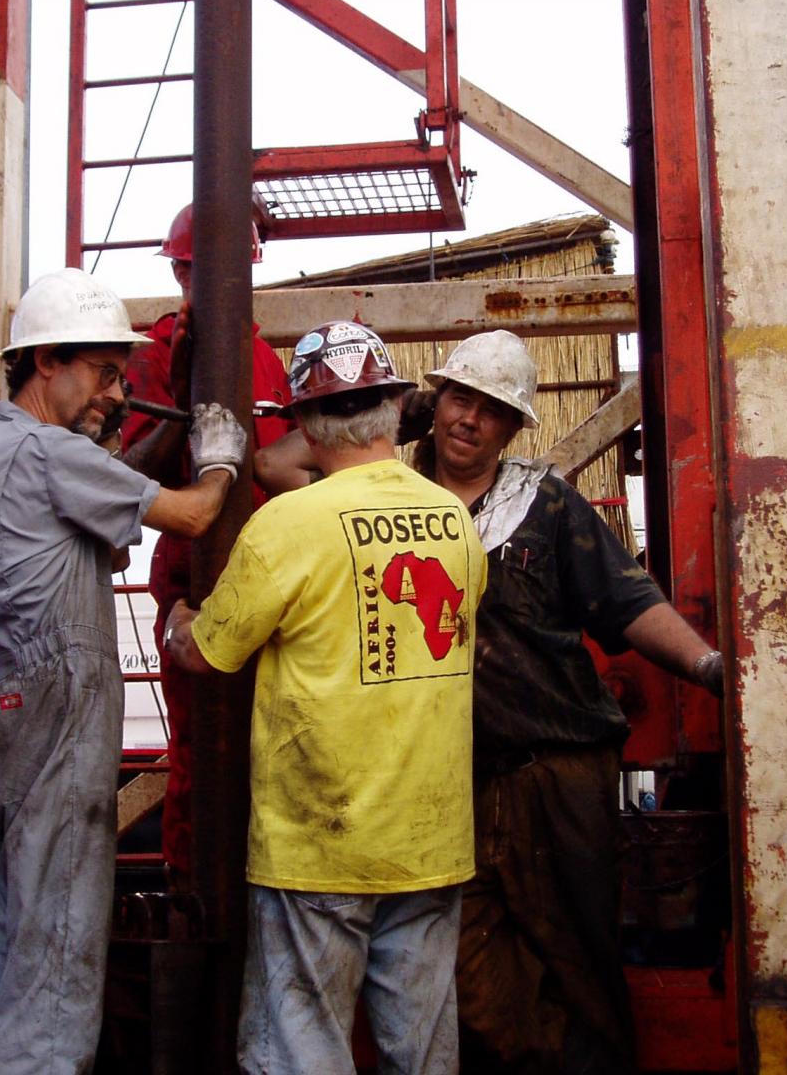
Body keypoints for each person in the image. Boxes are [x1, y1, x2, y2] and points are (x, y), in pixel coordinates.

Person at [255, 329, 725, 1073]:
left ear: (514, 427)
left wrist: (706, 666)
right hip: (446, 784)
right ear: (430, 404)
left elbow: (628, 601)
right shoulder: (376, 498)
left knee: (580, 958)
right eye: (458, 399)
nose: (469, 420)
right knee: (467, 978)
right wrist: (400, 417)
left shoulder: (545, 506)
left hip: (560, 772)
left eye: (492, 409)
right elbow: (274, 463)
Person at [0, 267, 247, 1074]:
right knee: (59, 970)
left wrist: (129, 446)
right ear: (47, 362)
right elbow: (191, 514)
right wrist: (219, 458)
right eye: (105, 372)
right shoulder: (45, 453)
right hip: (54, 725)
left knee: (2, 963)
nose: (116, 390)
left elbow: (104, 534)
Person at [164, 321, 488, 1074]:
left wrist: (182, 619)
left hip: (319, 845)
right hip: (431, 840)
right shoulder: (454, 522)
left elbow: (208, 655)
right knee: (424, 1055)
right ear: (396, 406)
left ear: (306, 422)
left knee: (302, 1050)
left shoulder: (289, 525)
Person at [119, 202, 295, 884]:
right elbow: (138, 477)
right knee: (203, 755)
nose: (208, 286)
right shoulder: (158, 351)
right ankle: (197, 903)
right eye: (194, 272)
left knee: (279, 755)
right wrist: (188, 384)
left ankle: (268, 895)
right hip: (198, 584)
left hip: (281, 586)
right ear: (180, 271)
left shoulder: (266, 360)